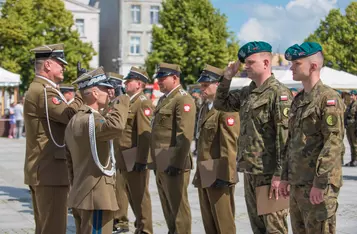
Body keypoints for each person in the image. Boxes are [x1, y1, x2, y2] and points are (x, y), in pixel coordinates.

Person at [213, 41, 292, 234]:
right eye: (245, 63)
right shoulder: (248, 92)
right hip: (251, 170)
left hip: (269, 173)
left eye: (250, 62)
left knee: (274, 228)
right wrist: (227, 77)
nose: (246, 67)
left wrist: (279, 175)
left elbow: (285, 138)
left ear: (266, 63)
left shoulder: (279, 93)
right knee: (258, 228)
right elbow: (220, 103)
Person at [280, 42, 344, 234]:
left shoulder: (328, 99)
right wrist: (285, 177)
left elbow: (333, 143)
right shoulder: (298, 100)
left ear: (314, 66)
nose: (291, 67)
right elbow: (291, 141)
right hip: (298, 183)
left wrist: (320, 183)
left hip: (317, 186)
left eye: (297, 63)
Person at [23, 43, 83, 234]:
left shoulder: (42, 89)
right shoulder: (43, 91)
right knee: (54, 228)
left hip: (46, 168)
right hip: (50, 169)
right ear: (48, 65)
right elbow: (69, 115)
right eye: (60, 63)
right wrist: (84, 88)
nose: (63, 67)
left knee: (46, 227)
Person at [65, 67, 130, 234]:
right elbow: (116, 126)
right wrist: (121, 97)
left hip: (81, 192)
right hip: (96, 196)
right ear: (94, 92)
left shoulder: (75, 120)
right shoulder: (92, 120)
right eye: (105, 89)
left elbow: (70, 163)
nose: (109, 93)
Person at [192, 64, 240, 234]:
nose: (201, 88)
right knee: (209, 220)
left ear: (218, 85)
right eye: (202, 85)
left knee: (223, 221)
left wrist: (226, 175)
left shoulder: (226, 109)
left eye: (206, 85)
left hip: (219, 172)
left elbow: (230, 145)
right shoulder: (206, 107)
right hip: (206, 169)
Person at [149, 62, 196, 234]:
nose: (159, 82)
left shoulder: (183, 99)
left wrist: (176, 163)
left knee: (178, 208)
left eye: (163, 78)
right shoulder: (165, 98)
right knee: (167, 206)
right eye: (158, 78)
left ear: (175, 78)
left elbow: (184, 136)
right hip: (161, 159)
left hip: (174, 162)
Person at [113, 67, 154, 234]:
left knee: (140, 197)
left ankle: (145, 230)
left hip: (134, 155)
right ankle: (132, 225)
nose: (125, 84)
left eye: (128, 81)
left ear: (139, 84)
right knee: (127, 193)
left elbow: (144, 134)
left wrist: (141, 160)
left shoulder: (143, 102)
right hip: (123, 154)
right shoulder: (128, 101)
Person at [105, 72, 131, 233]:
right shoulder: (110, 103)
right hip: (111, 150)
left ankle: (121, 220)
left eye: (111, 87)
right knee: (114, 187)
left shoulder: (123, 101)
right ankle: (114, 218)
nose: (108, 90)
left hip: (124, 150)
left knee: (121, 188)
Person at [344, 90, 357, 167]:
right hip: (349, 127)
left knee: (355, 144)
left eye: (352, 95)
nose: (351, 97)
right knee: (351, 144)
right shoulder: (350, 104)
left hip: (354, 126)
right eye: (350, 95)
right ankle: (353, 159)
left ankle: (356, 160)